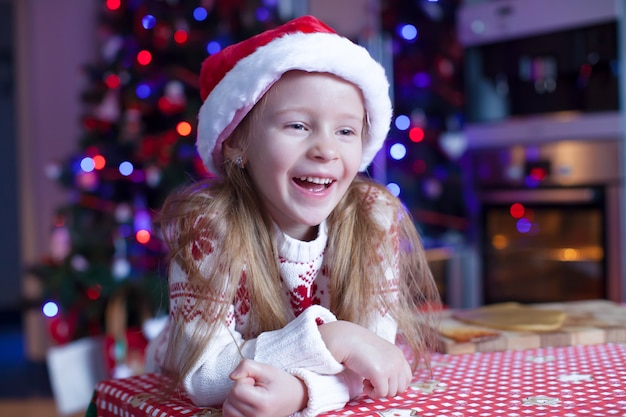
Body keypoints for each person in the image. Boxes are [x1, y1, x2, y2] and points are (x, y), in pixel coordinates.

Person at [145, 14, 441, 417]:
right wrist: (334, 340)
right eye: (298, 125)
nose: (325, 149)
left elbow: (377, 363)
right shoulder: (209, 226)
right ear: (237, 144)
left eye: (345, 131)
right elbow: (206, 377)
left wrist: (303, 394)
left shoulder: (374, 219)